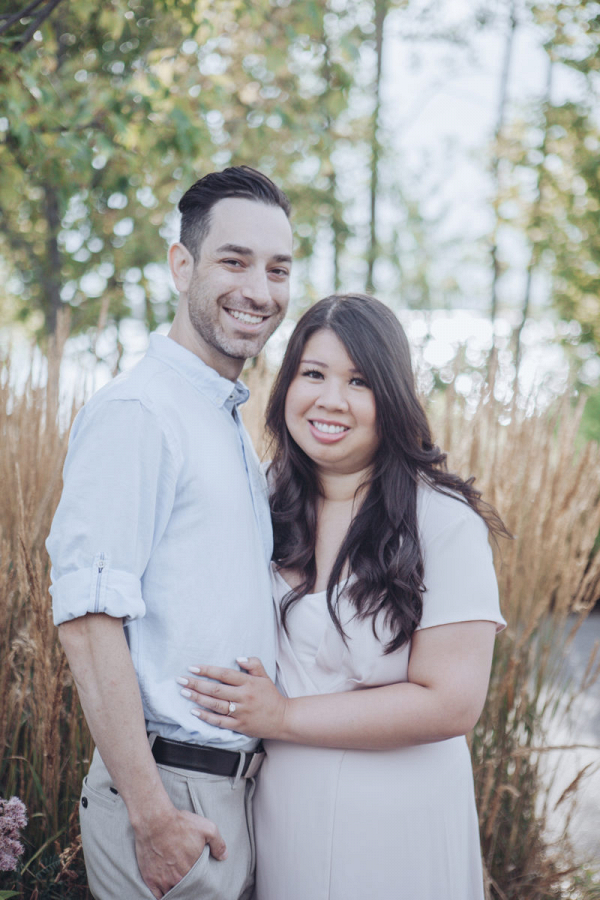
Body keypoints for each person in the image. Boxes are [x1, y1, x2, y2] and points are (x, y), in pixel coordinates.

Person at [176, 293, 509, 900]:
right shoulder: (260, 500)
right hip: (283, 818)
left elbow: (453, 703)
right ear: (286, 387)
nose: (331, 399)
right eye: (313, 374)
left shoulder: (442, 520)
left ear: (392, 397)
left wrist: (282, 716)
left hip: (401, 823)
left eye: (359, 381)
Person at [46, 165, 293, 900]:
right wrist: (153, 816)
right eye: (234, 260)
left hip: (230, 795)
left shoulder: (222, 419)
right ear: (181, 264)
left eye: (278, 269)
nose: (260, 290)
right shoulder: (140, 413)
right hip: (168, 793)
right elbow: (88, 621)